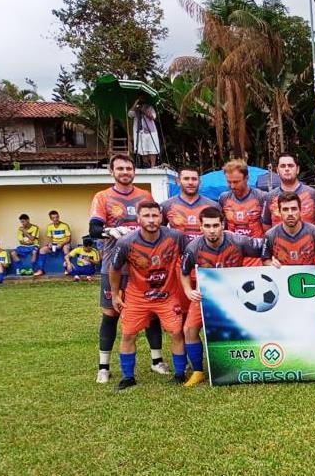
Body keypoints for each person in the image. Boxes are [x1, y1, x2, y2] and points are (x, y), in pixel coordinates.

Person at [88, 154, 166, 384]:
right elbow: (94, 228)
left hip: (143, 266)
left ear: (134, 171)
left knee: (151, 313)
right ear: (111, 171)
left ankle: (157, 360)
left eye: (129, 168)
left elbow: (156, 223)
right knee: (110, 314)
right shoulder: (102, 197)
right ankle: (104, 366)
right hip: (113, 264)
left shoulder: (145, 195)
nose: (125, 172)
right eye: (120, 168)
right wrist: (110, 231)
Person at [180, 206, 264, 387]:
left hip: (235, 294)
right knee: (189, 330)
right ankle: (198, 371)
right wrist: (188, 290)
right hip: (205, 295)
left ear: (222, 225)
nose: (212, 230)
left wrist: (270, 260)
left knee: (245, 328)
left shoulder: (238, 241)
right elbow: (184, 271)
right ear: (200, 227)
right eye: (207, 226)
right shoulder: (193, 247)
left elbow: (264, 248)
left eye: (215, 225)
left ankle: (246, 364)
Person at [110, 201, 188, 390]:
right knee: (128, 335)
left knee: (177, 332)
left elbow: (190, 256)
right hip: (138, 297)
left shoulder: (176, 237)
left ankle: (180, 374)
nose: (151, 220)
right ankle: (128, 377)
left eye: (155, 216)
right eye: (147, 216)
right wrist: (114, 294)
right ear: (138, 218)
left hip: (168, 295)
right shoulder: (125, 242)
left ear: (161, 217)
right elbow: (114, 269)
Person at [218, 159, 267, 266]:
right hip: (232, 254)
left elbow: (269, 227)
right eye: (229, 182)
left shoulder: (261, 197)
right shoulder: (224, 198)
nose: (232, 186)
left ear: (247, 178)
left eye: (236, 182)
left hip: (255, 255)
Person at [262, 191, 315, 267]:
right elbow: (265, 259)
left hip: (308, 278)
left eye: (294, 209)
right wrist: (271, 264)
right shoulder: (270, 235)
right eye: (285, 209)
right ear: (280, 212)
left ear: (300, 210)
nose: (290, 213)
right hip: (281, 278)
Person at [161, 166, 221, 242]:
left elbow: (221, 234)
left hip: (204, 252)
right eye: (186, 179)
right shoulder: (166, 206)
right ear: (178, 181)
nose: (190, 182)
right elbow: (160, 234)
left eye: (194, 179)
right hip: (178, 253)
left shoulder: (213, 206)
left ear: (200, 182)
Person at [262, 154, 315, 227]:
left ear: (297, 169)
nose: (287, 169)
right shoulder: (269, 197)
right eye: (283, 166)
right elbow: (266, 225)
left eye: (290, 165)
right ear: (277, 170)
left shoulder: (313, 194)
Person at [35, 210, 72, 276]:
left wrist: (61, 244)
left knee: (66, 248)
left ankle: (67, 269)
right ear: (51, 219)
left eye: (57, 217)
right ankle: (40, 270)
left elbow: (69, 239)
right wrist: (50, 243)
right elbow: (49, 238)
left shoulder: (65, 225)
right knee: (42, 250)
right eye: (53, 218)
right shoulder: (50, 226)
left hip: (64, 243)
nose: (56, 219)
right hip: (55, 244)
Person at [128, 94, 160, 168]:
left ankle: (153, 166)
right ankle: (146, 165)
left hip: (150, 132)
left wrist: (144, 111)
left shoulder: (150, 107)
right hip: (140, 132)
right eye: (139, 99)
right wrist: (136, 103)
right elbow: (130, 114)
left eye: (142, 99)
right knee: (143, 149)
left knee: (152, 149)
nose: (141, 100)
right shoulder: (135, 109)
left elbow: (153, 117)